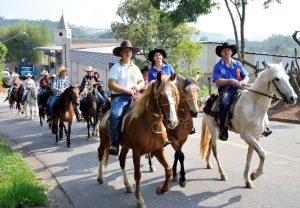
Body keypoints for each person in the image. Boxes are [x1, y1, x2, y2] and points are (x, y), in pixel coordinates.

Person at [147, 48, 196, 136]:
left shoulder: (168, 67)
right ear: (153, 58)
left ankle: (190, 125)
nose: (158, 57)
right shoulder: (151, 71)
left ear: (162, 57)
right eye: (156, 55)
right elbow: (151, 83)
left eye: (160, 55)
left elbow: (175, 78)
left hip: (170, 91)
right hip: (159, 93)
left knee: (183, 101)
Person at [108, 40, 145, 155]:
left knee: (152, 109)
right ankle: (114, 143)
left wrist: (137, 86)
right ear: (121, 53)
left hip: (135, 95)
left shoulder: (135, 67)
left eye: (129, 51)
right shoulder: (116, 67)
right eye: (125, 51)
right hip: (120, 97)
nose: (128, 53)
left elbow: (142, 82)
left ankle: (158, 138)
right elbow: (111, 84)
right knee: (114, 115)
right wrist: (127, 90)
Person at [212, 42, 249, 141]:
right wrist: (230, 80)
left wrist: (243, 81)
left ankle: (263, 125)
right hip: (226, 90)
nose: (227, 52)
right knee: (224, 103)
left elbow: (246, 76)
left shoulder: (238, 64)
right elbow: (217, 80)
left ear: (232, 52)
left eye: (228, 50)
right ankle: (223, 129)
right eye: (224, 50)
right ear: (221, 53)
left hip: (239, 88)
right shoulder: (218, 66)